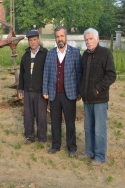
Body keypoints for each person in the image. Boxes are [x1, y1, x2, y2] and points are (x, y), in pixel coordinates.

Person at [42, 26, 82, 157]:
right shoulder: (50, 53)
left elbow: (79, 73)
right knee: (55, 121)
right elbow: (46, 73)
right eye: (57, 36)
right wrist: (45, 90)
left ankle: (72, 147)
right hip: (54, 94)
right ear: (55, 38)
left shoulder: (75, 53)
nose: (60, 39)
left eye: (62, 36)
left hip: (69, 93)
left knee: (70, 122)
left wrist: (79, 92)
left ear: (66, 37)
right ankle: (55, 144)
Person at [80, 28, 116, 166]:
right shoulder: (85, 55)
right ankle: (89, 152)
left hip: (99, 99)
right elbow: (82, 75)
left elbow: (111, 75)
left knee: (99, 130)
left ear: (97, 39)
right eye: (86, 39)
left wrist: (97, 89)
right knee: (88, 128)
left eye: (91, 39)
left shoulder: (105, 53)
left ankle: (100, 156)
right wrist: (81, 91)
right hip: (87, 99)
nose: (88, 42)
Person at [18, 30, 48, 145]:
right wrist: (20, 89)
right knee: (28, 115)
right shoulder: (25, 55)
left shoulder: (45, 53)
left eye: (34, 39)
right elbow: (22, 73)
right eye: (30, 40)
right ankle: (30, 136)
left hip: (40, 91)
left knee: (41, 116)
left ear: (38, 40)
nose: (33, 42)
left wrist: (47, 90)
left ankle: (42, 138)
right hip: (27, 90)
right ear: (28, 41)